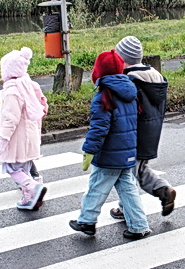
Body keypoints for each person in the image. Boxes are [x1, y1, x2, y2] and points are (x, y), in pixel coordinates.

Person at [69, 49, 151, 240]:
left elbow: (99, 129)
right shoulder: (131, 92)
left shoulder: (103, 97)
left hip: (109, 154)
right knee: (127, 188)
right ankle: (139, 225)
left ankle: (87, 221)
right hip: (128, 151)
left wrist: (89, 150)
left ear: (98, 73)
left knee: (97, 186)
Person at [108, 36, 176, 220]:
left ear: (122, 59)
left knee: (128, 174)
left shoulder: (131, 81)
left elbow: (125, 111)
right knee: (138, 169)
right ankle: (163, 190)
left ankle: (128, 210)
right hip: (152, 131)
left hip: (135, 133)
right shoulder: (155, 76)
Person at [0, 47, 47, 210]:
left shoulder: (11, 91)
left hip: (17, 137)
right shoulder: (27, 85)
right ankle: (30, 196)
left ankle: (32, 188)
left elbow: (10, 118)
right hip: (30, 134)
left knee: (11, 168)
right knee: (24, 168)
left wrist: (2, 138)